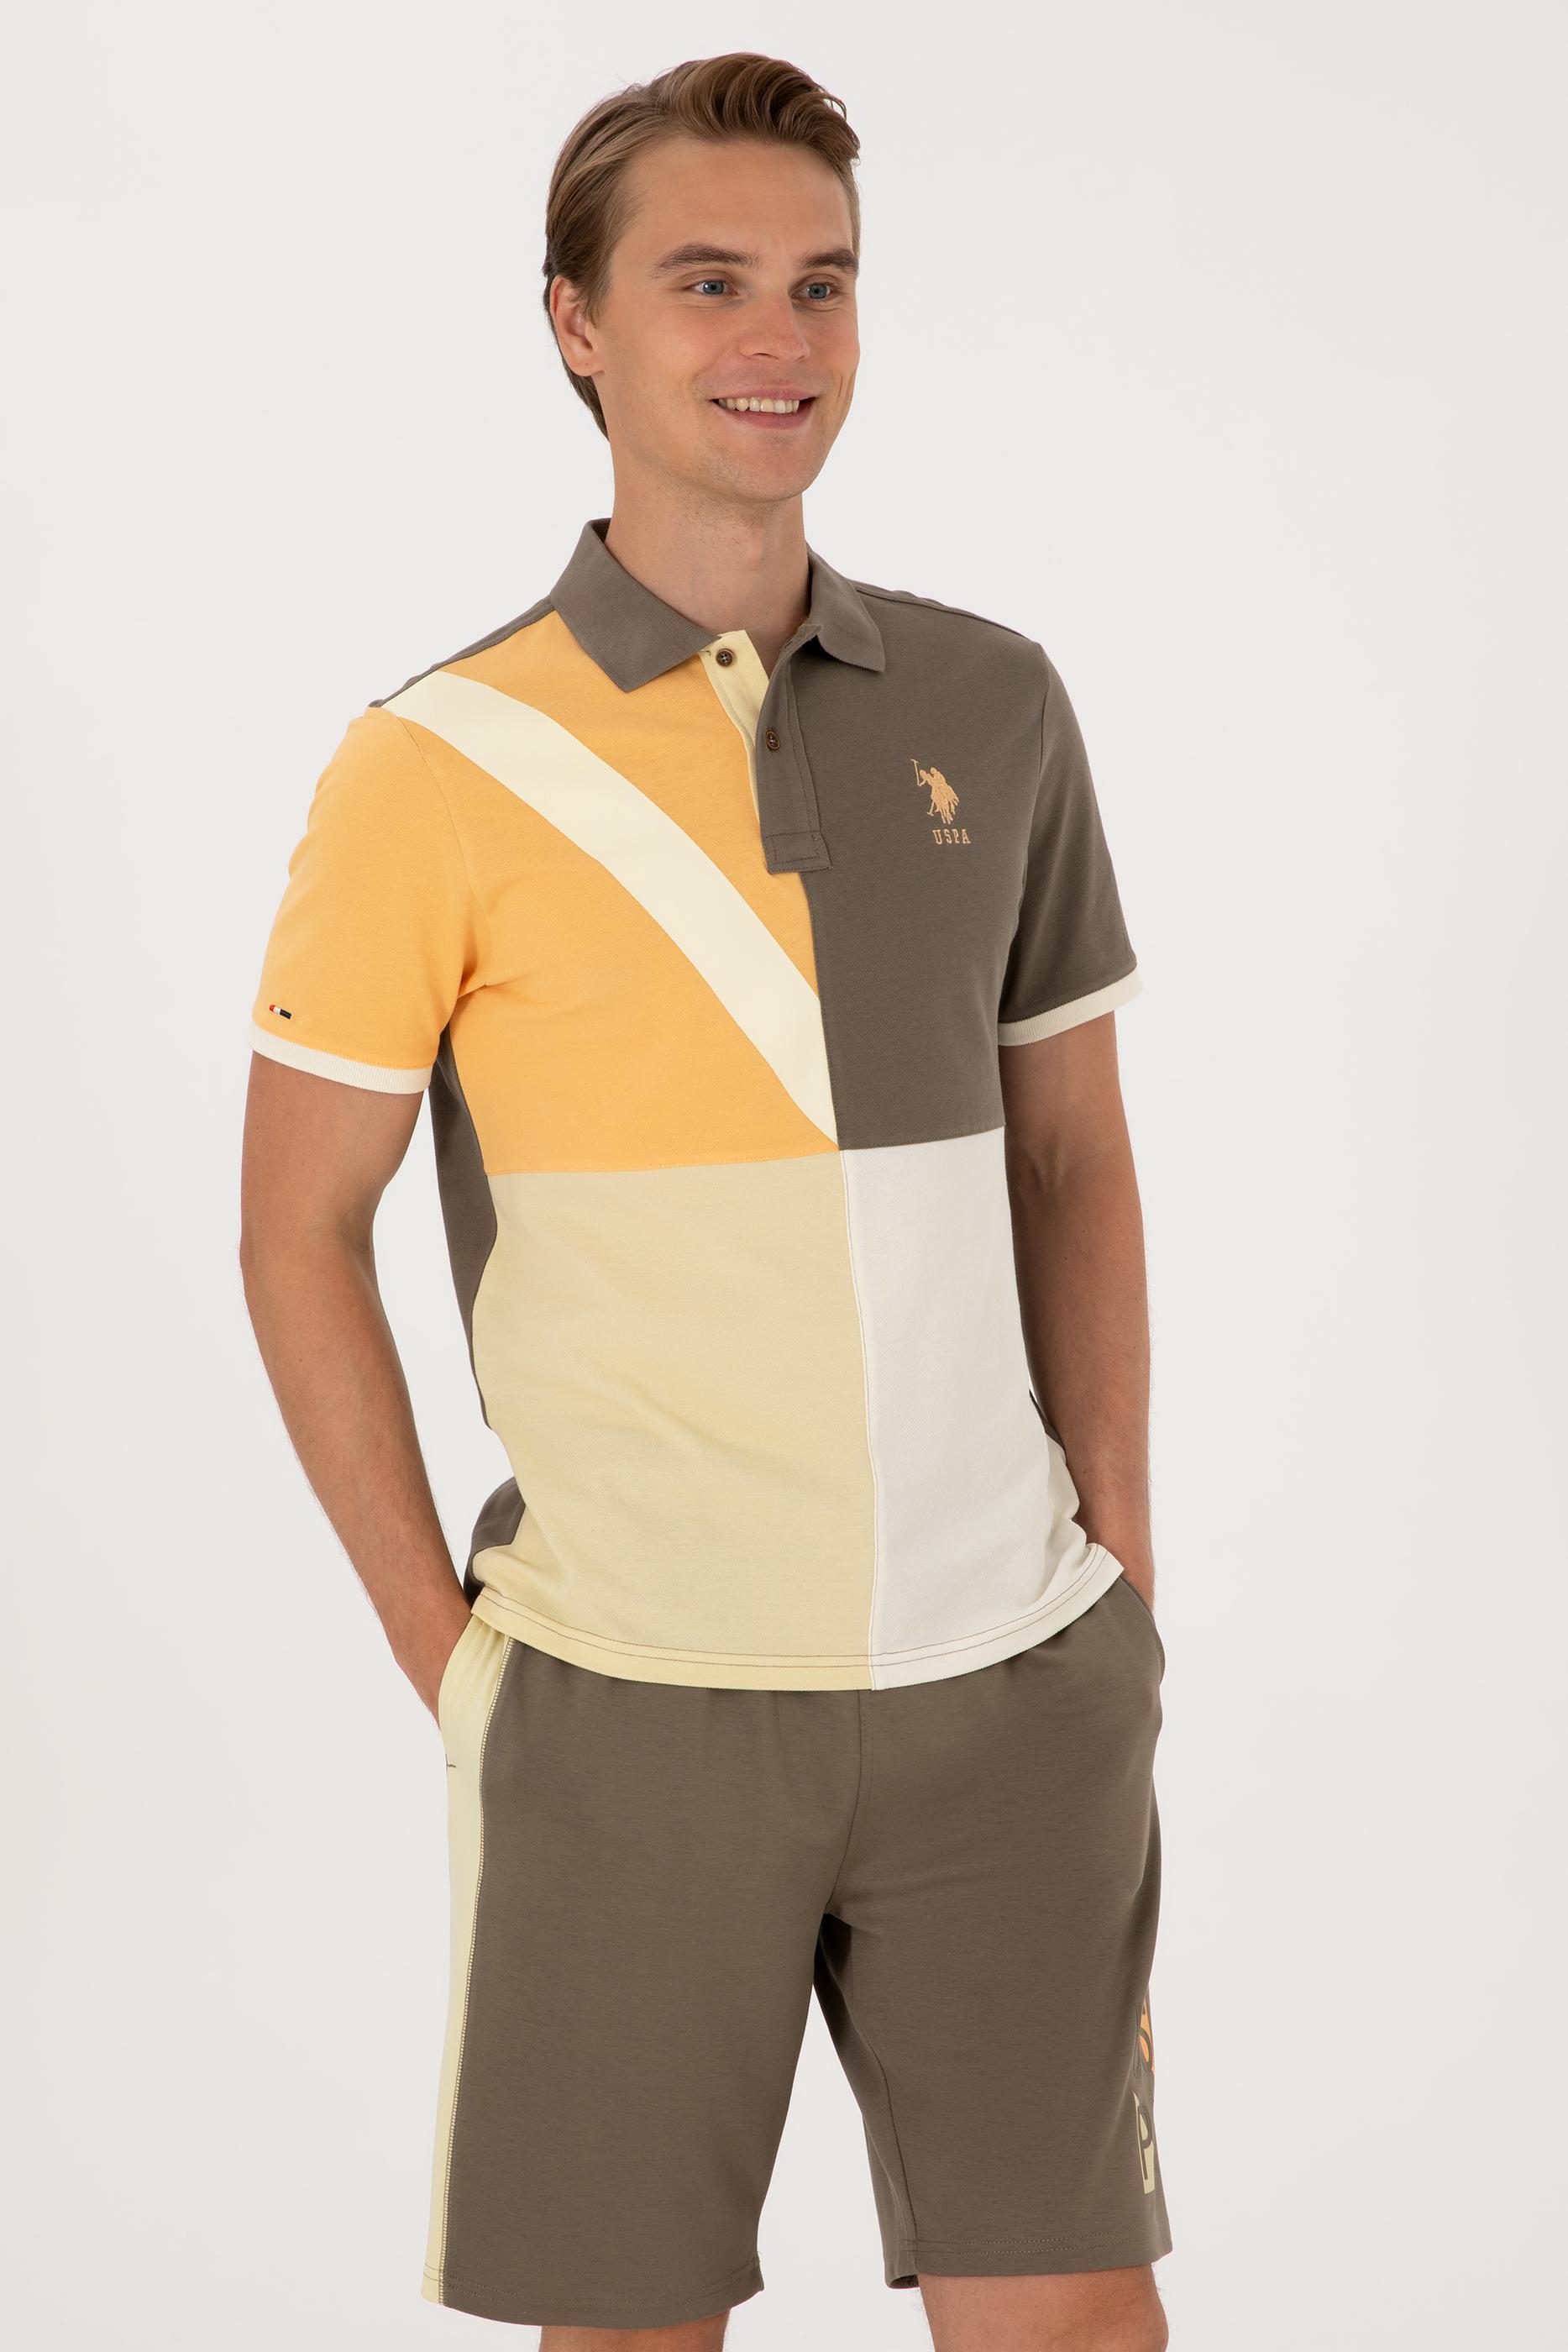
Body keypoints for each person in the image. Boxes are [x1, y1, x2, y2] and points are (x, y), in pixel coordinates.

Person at [239, 49, 1170, 2352]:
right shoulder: (436, 766)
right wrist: (447, 1662)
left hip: (1005, 1687)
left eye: (823, 283)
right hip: (631, 1702)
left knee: (1074, 2326)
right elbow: (295, 1226)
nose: (781, 337)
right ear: (577, 323)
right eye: (710, 281)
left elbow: (1072, 1153)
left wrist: (1118, 1576)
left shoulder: (998, 703)